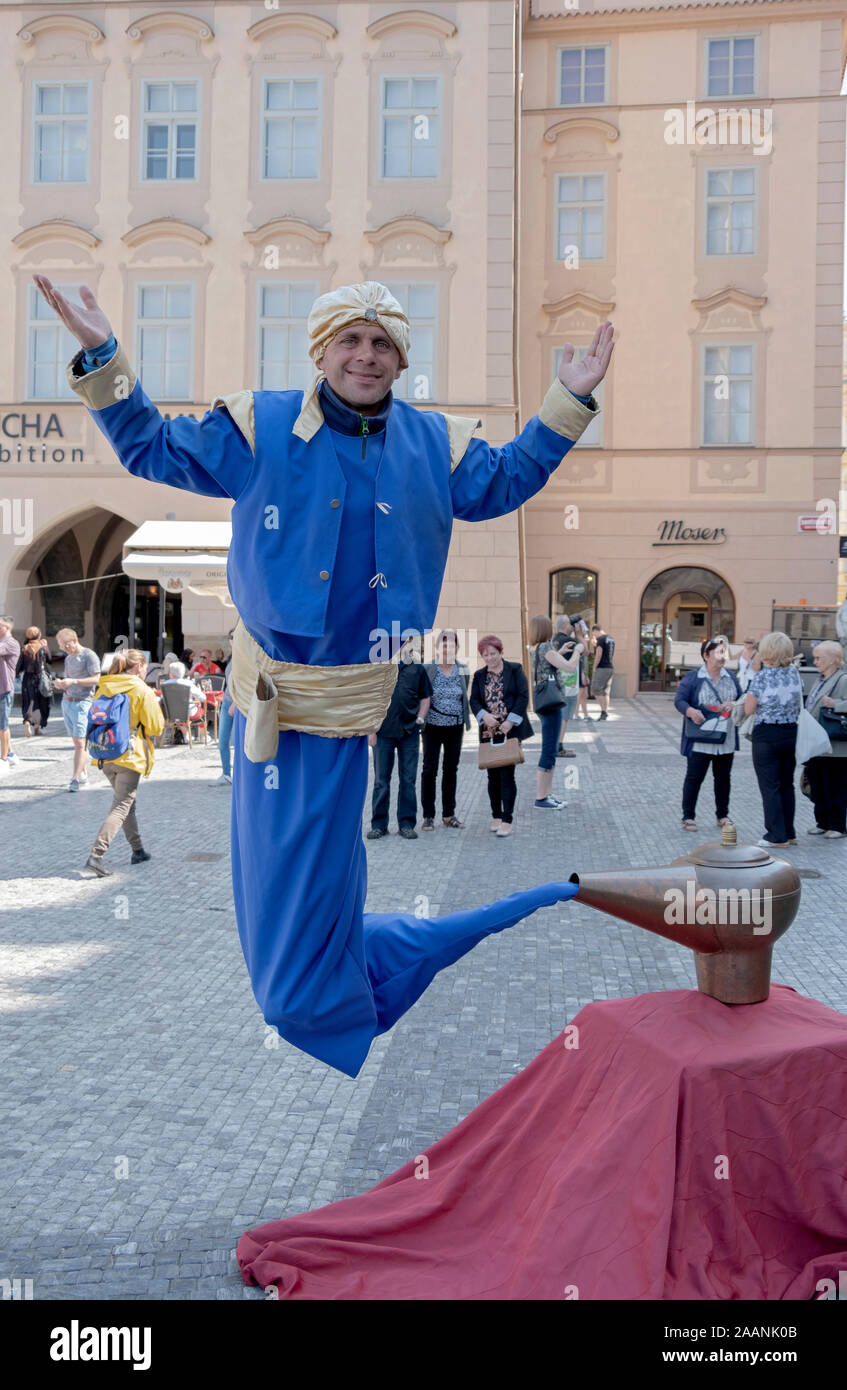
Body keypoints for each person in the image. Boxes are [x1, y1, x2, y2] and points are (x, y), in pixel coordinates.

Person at [43, 271, 612, 1079]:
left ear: (399, 358)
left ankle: (360, 977)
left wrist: (566, 401)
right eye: (350, 339)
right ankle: (357, 977)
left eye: (382, 343)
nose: (366, 356)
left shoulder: (433, 443)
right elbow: (149, 446)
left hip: (350, 710)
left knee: (325, 890)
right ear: (321, 350)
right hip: (271, 712)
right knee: (279, 898)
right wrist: (102, 349)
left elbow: (507, 479)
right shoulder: (260, 425)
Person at [83, 649, 165, 877]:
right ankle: (95, 856)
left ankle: (138, 850)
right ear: (138, 667)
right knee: (121, 806)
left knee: (126, 803)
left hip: (104, 754)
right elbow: (156, 727)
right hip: (129, 755)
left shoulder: (104, 686)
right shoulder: (141, 690)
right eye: (145, 667)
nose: (146, 670)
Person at [674, 636, 741, 832]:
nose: (723, 657)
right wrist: (691, 711)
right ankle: (688, 816)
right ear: (706, 655)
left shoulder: (731, 677)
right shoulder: (694, 677)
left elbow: (743, 697)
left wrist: (735, 703)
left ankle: (722, 815)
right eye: (718, 652)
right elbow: (680, 700)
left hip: (724, 738)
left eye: (724, 653)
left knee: (723, 778)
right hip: (700, 738)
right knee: (694, 777)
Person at [744, 630, 803, 849]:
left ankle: (775, 836)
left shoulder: (762, 676)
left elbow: (749, 709)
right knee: (787, 784)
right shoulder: (794, 674)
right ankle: (789, 832)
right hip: (790, 734)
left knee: (770, 786)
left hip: (767, 735)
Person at [470, 635, 533, 836]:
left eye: (493, 653)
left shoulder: (514, 670)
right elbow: (474, 700)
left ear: (501, 652)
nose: (490, 658)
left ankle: (507, 819)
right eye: (486, 655)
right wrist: (484, 716)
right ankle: (496, 815)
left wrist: (509, 722)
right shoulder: (479, 675)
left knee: (507, 775)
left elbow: (523, 696)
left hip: (510, 730)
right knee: (492, 776)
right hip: (488, 731)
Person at [367, 644, 431, 839]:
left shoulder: (416, 668)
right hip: (383, 733)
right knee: (380, 781)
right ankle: (379, 824)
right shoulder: (378, 667)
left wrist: (420, 718)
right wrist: (371, 730)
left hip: (409, 732)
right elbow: (370, 699)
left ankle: (406, 824)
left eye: (402, 641)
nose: (399, 645)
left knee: (408, 780)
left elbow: (426, 696)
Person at [528, 614, 583, 809]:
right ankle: (541, 797)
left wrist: (559, 650)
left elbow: (547, 664)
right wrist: (578, 649)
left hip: (545, 703)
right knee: (549, 750)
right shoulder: (545, 647)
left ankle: (547, 794)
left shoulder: (537, 648)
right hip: (551, 704)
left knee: (550, 749)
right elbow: (569, 667)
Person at [420, 630, 471, 830]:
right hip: (432, 726)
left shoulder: (464, 669)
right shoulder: (427, 669)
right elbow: (421, 695)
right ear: (437, 647)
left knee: (451, 770)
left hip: (455, 728)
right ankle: (428, 815)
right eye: (443, 644)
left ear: (457, 647)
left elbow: (463, 696)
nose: (447, 648)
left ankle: (449, 814)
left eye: (451, 644)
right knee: (429, 770)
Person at [802, 640, 847, 838]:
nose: (815, 661)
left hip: (836, 745)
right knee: (818, 785)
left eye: (819, 658)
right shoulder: (820, 679)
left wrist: (835, 704)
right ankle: (822, 822)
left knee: (835, 787)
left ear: (831, 660)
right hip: (818, 743)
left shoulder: (843, 679)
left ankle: (837, 826)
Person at [53, 627, 101, 790]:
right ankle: (83, 775)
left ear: (74, 640)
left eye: (66, 645)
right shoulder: (68, 659)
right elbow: (69, 678)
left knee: (81, 742)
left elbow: (96, 679)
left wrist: (73, 682)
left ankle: (74, 778)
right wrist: (61, 683)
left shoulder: (89, 655)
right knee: (77, 742)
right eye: (61, 646)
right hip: (67, 701)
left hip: (83, 702)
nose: (64, 649)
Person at [16, 627, 55, 735]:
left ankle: (28, 721)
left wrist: (15, 675)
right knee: (41, 703)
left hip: (27, 680)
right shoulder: (43, 648)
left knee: (30, 702)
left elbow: (19, 666)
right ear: (39, 635)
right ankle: (37, 728)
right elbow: (49, 660)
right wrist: (45, 646)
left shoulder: (24, 648)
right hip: (41, 679)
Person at [552, 615, 579, 757]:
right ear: (566, 626)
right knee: (564, 717)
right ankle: (558, 746)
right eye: (570, 624)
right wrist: (579, 634)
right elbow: (586, 651)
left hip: (555, 685)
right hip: (568, 686)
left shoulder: (553, 640)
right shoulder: (570, 641)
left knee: (557, 716)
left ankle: (554, 745)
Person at [160, 661, 205, 744]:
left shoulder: (164, 684)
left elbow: (162, 699)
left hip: (171, 714)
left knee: (179, 714)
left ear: (172, 673)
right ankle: (203, 736)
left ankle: (186, 736)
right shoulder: (188, 683)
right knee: (200, 711)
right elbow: (203, 698)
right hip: (188, 713)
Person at [211, 645, 236, 786]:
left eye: (235, 636)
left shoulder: (246, 654)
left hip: (239, 703)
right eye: (230, 637)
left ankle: (239, 775)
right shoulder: (231, 657)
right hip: (227, 701)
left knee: (236, 742)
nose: (232, 640)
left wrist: (237, 701)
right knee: (223, 741)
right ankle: (226, 774)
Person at [0, 616, 21, 773]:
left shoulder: (10, 643)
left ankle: (4, 758)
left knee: (3, 726)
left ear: (6, 627)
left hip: (4, 689)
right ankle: (11, 753)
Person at [590, 623, 614, 719]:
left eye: (594, 633)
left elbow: (599, 654)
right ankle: (605, 712)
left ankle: (603, 711)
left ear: (596, 630)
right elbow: (605, 650)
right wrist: (595, 644)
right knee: (605, 691)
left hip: (602, 668)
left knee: (595, 689)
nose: (594, 636)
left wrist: (594, 667)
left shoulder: (600, 639)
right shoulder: (610, 639)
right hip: (610, 667)